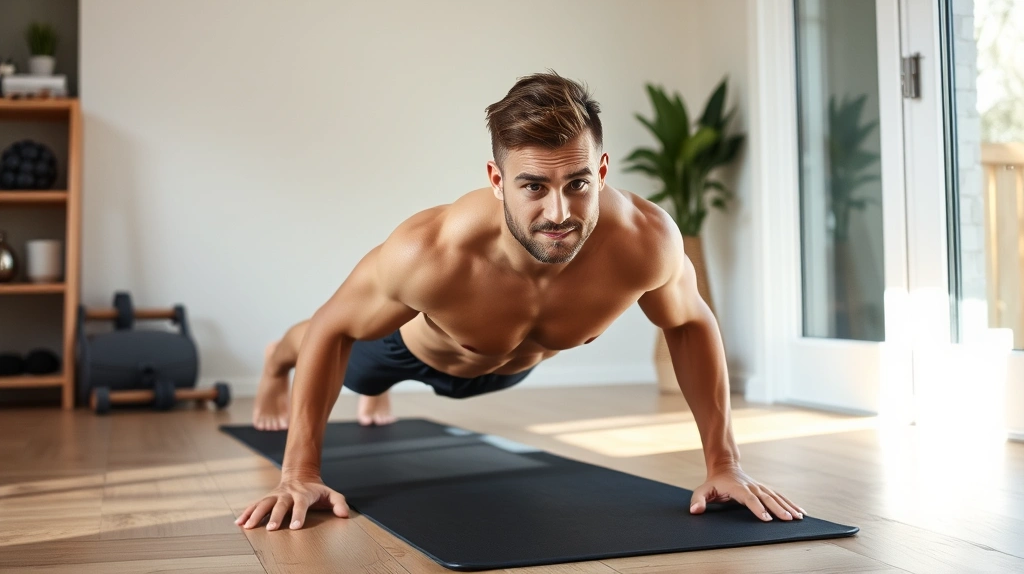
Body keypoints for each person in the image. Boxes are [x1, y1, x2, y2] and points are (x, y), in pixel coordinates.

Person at [237, 72, 804, 533]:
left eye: (578, 184)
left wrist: (724, 464)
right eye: (533, 186)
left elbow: (690, 324)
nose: (559, 212)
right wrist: (299, 472)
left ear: (602, 170)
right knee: (326, 337)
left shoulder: (648, 241)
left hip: (509, 367)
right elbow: (333, 331)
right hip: (415, 351)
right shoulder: (430, 252)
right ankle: (274, 358)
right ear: (496, 179)